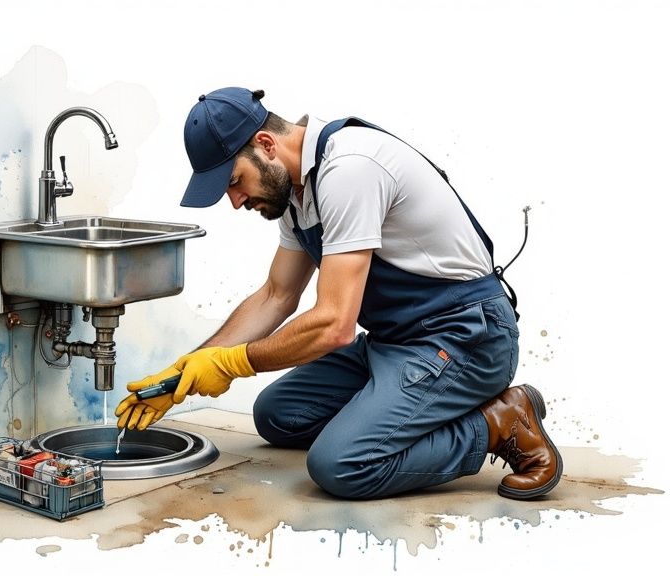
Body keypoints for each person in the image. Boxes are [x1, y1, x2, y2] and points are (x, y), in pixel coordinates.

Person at [114, 87, 562, 500]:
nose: (235, 200)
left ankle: (499, 422)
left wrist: (234, 362)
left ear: (267, 145)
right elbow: (276, 294)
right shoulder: (295, 192)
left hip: (465, 338)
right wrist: (187, 368)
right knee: (277, 415)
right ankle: (401, 411)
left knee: (340, 465)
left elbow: (334, 325)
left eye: (235, 181)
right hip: (398, 342)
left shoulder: (349, 171)